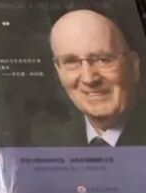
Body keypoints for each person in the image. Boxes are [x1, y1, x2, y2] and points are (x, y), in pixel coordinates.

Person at [46, 9, 146, 147]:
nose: (89, 79)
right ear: (58, 70)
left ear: (133, 65)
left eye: (103, 59)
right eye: (71, 62)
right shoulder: (50, 145)